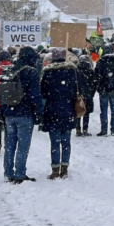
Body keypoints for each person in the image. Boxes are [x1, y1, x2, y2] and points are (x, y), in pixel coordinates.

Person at [1, 46, 43, 184]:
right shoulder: (31, 72)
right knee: (23, 145)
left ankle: (8, 172)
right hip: (24, 112)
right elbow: (35, 95)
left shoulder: (10, 70)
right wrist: (39, 112)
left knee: (10, 144)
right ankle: (19, 174)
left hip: (9, 112)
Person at [41, 48, 79, 180]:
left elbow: (43, 93)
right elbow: (77, 90)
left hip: (52, 110)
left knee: (55, 142)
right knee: (66, 142)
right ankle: (65, 168)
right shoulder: (72, 71)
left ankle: (55, 169)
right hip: (68, 109)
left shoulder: (47, 73)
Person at [95, 45, 114, 136]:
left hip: (103, 88)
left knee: (103, 110)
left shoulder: (101, 61)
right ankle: (113, 129)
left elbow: (96, 73)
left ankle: (104, 129)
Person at [75, 54, 98, 136]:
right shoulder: (91, 71)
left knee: (78, 111)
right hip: (88, 94)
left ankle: (78, 130)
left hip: (78, 95)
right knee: (86, 113)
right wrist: (92, 93)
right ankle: (85, 129)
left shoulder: (76, 71)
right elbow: (95, 83)